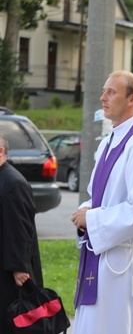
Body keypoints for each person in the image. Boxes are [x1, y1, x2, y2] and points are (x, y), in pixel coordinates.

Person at [70, 71, 133, 333]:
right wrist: (84, 211)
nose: (102, 98)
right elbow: (97, 196)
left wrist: (91, 219)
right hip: (101, 254)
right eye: (104, 91)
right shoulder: (108, 142)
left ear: (131, 99)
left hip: (124, 262)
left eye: (111, 92)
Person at [0, 133, 44, 332]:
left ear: (1, 151)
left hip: (11, 271)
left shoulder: (14, 182)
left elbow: (20, 227)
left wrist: (19, 266)